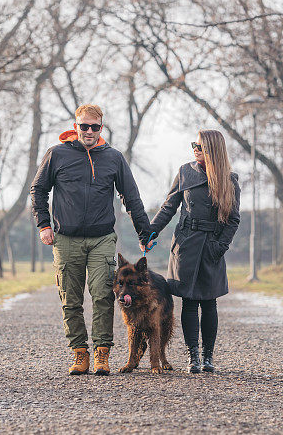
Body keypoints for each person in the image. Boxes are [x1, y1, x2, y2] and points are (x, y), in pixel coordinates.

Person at [30, 104, 152, 376]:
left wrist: (145, 233)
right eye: (83, 126)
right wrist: (43, 224)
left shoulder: (113, 158)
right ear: (75, 126)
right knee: (70, 299)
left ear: (101, 128)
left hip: (102, 239)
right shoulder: (56, 154)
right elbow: (38, 189)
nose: (88, 131)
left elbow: (131, 197)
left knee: (102, 296)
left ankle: (101, 353)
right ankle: (79, 353)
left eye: (94, 127)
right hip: (65, 238)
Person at [149, 129, 240, 374]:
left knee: (209, 303)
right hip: (186, 244)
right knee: (189, 302)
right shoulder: (185, 172)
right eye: (194, 145)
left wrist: (220, 246)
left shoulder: (229, 179)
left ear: (212, 149)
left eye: (199, 146)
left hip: (212, 246)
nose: (195, 149)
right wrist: (150, 232)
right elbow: (169, 206)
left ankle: (208, 357)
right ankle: (193, 357)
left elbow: (233, 220)